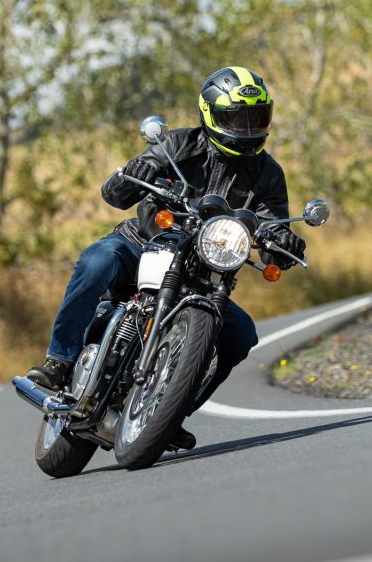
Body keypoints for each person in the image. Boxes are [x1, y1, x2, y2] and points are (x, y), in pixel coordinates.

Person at [25, 66, 306, 449]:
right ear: (210, 115)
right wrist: (134, 172)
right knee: (96, 263)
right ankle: (59, 361)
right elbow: (117, 194)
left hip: (201, 273)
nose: (245, 127)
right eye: (234, 118)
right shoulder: (178, 144)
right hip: (142, 244)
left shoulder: (268, 173)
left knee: (241, 334)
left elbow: (274, 221)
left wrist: (285, 241)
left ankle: (171, 410)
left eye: (255, 118)